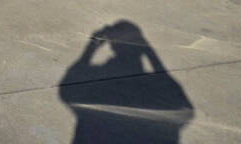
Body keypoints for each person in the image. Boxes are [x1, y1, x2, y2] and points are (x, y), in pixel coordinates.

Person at [60, 21, 193, 143]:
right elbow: (181, 105)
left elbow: (67, 89)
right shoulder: (158, 85)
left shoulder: (98, 81)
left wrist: (91, 47)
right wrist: (148, 49)